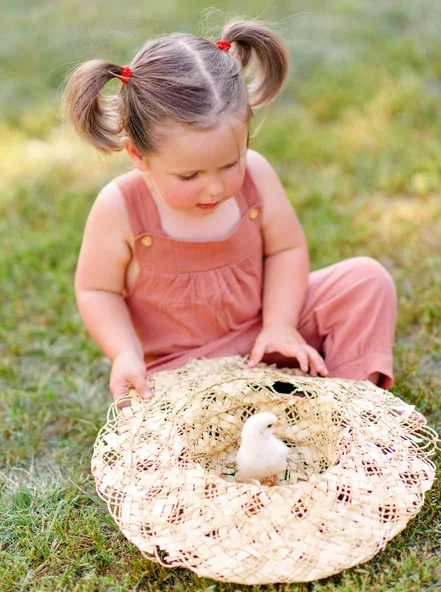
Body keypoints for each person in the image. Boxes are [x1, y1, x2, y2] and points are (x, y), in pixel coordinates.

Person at [64, 20, 397, 403]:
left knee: (365, 281)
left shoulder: (256, 174)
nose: (216, 188)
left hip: (263, 335)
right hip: (182, 370)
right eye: (189, 175)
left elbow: (285, 250)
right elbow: (97, 290)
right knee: (177, 442)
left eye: (229, 163)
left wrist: (280, 325)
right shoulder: (121, 207)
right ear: (138, 155)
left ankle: (352, 407)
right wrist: (125, 353)